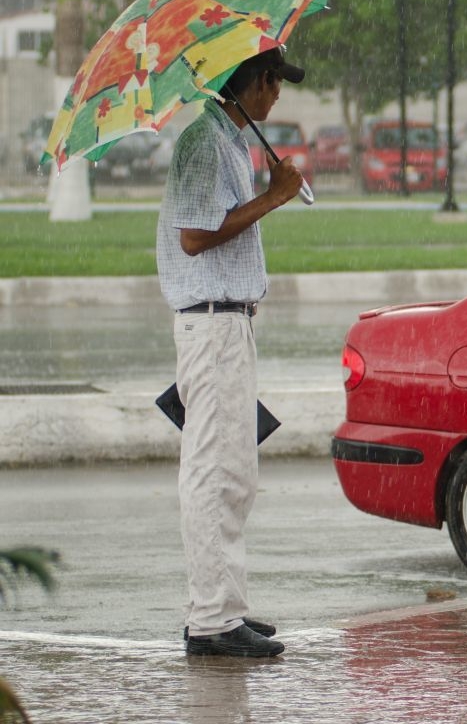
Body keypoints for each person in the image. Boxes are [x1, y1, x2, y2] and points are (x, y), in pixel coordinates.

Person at [156, 47, 304, 658]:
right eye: (276, 82)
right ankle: (212, 622)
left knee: (235, 473)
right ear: (256, 81)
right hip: (209, 328)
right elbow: (193, 236)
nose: (279, 96)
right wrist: (274, 197)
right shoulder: (203, 143)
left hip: (229, 325)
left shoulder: (230, 140)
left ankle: (226, 609)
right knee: (213, 473)